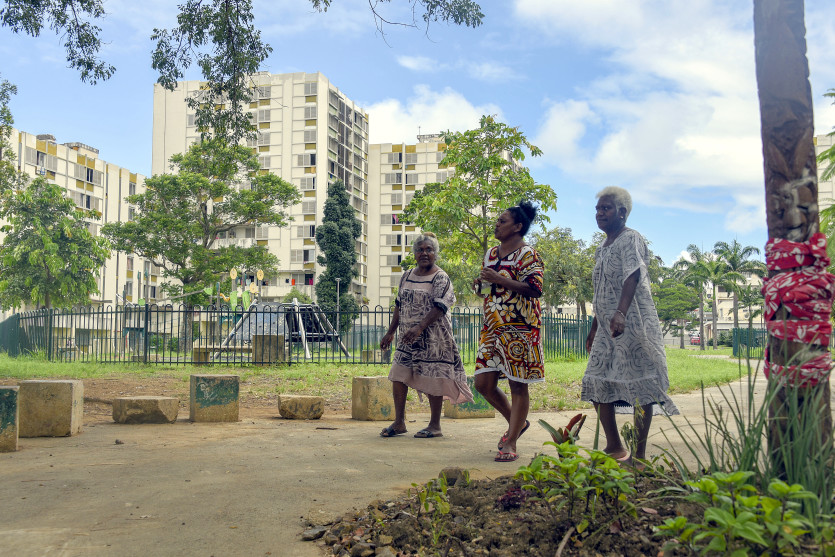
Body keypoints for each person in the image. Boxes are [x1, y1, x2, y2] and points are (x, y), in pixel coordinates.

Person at [582, 186, 679, 467]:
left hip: (631, 323)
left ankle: (638, 456)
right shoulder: (602, 247)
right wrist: (594, 328)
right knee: (597, 380)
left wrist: (621, 313)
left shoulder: (630, 238)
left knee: (640, 385)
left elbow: (632, 276)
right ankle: (614, 446)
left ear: (622, 212)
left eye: (606, 208)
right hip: (607, 328)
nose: (599, 213)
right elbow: (601, 291)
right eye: (598, 209)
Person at [380, 232, 473, 438]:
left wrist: (420, 327)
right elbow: (399, 305)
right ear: (414, 254)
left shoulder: (441, 277)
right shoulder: (406, 276)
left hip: (434, 339)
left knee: (433, 379)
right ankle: (399, 422)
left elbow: (440, 307)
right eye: (420, 250)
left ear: (435, 254)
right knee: (398, 375)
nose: (424, 253)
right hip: (407, 338)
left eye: (429, 250)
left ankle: (435, 425)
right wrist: (390, 332)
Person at [472, 201, 544, 462]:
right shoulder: (491, 253)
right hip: (492, 328)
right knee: (483, 384)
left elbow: (535, 289)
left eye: (502, 221)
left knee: (517, 384)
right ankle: (518, 422)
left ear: (517, 227)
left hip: (520, 328)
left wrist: (500, 279)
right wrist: (481, 286)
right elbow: (491, 288)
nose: (497, 224)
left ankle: (511, 441)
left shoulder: (528, 254)